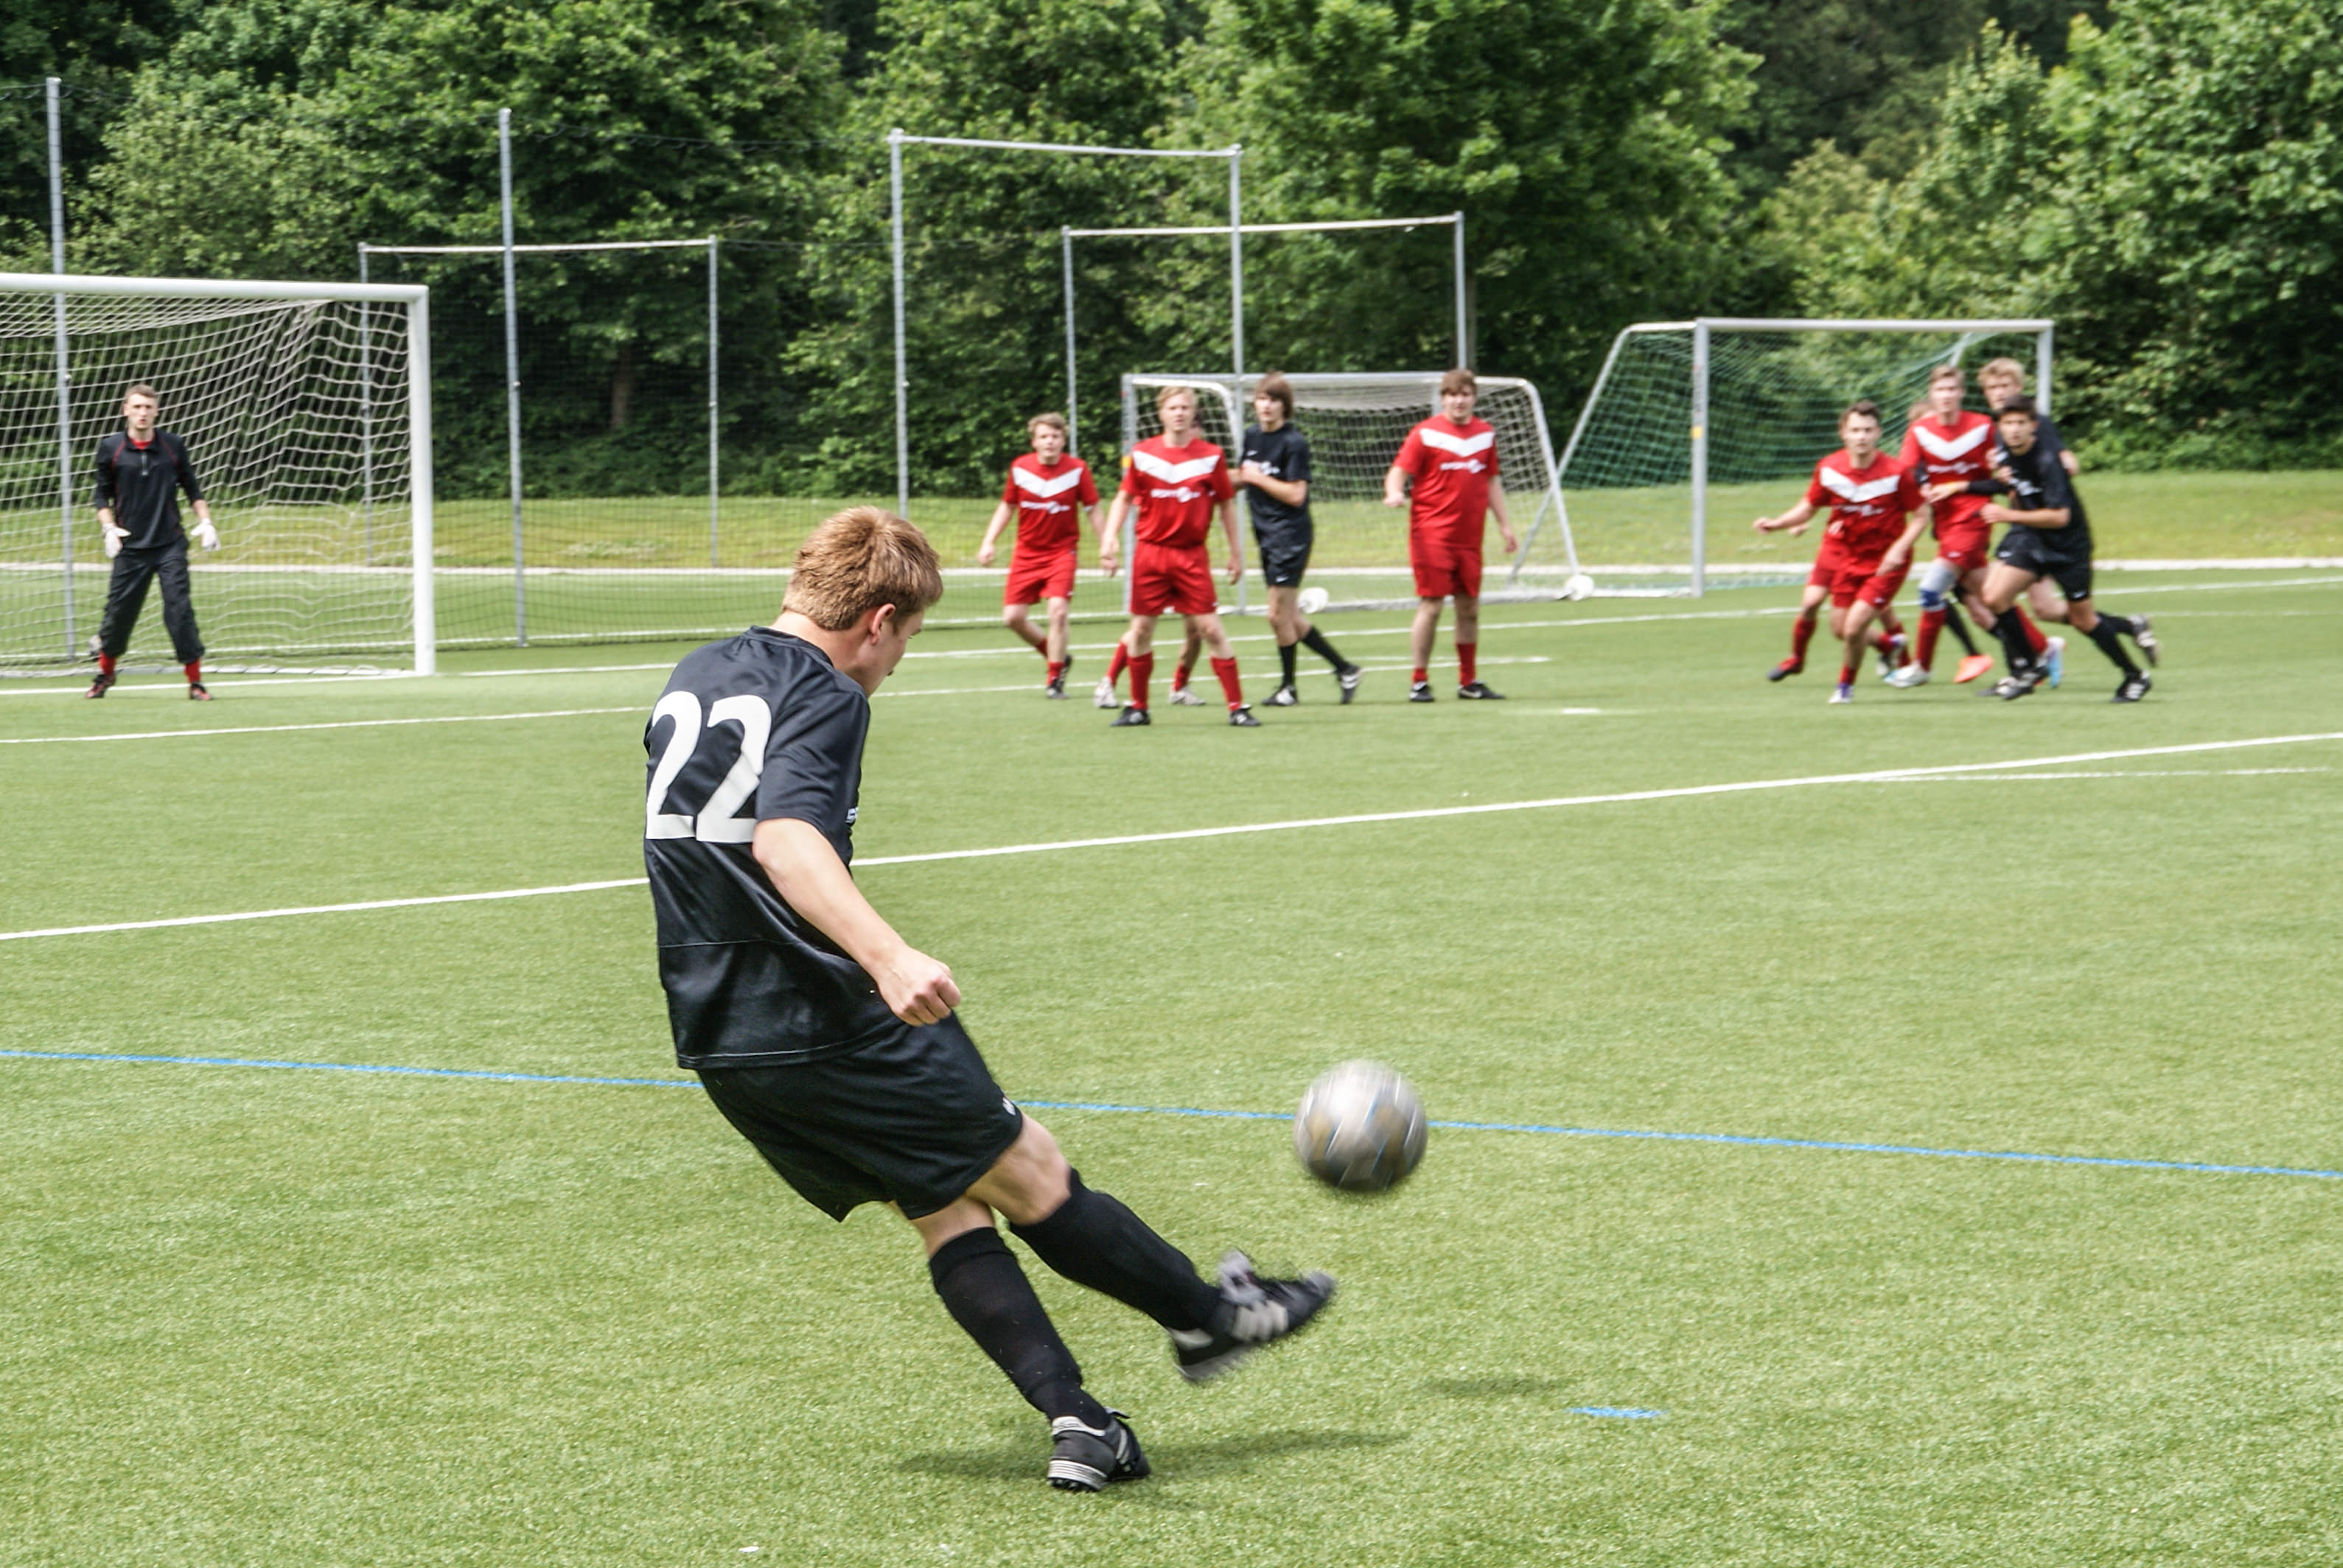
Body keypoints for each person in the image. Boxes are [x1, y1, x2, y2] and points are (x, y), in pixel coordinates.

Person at [643, 507, 1335, 1491]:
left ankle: (1080, 1422)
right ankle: (1210, 1318)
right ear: (878, 620)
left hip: (719, 1028)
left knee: (945, 1205)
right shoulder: (826, 691)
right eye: (906, 640)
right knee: (1031, 1169)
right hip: (827, 1013)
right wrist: (887, 956)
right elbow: (784, 842)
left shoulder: (698, 672)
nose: (894, 664)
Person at [1958, 396, 2157, 701]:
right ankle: (2030, 666)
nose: (2014, 429)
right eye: (2008, 423)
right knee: (1994, 597)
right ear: (2000, 427)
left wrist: (2009, 515)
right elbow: (2012, 485)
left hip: (2068, 548)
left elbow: (2060, 516)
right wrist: (1976, 484)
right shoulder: (2006, 453)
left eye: (2021, 423)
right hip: (2034, 541)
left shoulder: (2047, 461)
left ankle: (2134, 675)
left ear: (2033, 426)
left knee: (2084, 621)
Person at [1098, 385, 1256, 727]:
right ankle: (1138, 707)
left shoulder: (1211, 456)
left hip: (1191, 556)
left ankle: (1237, 707)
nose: (1179, 413)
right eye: (1173, 408)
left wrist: (1236, 553)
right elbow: (1124, 498)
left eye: (1185, 407)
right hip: (1150, 555)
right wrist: (1109, 538)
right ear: (1161, 413)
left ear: (1192, 412)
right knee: (1141, 629)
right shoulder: (1143, 454)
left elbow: (1226, 504)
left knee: (1210, 629)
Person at [1752, 400, 1929, 704]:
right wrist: (1777, 524)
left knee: (1855, 626)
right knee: (1841, 629)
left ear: (1878, 433)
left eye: (1868, 430)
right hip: (1849, 558)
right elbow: (1808, 508)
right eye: (1855, 430)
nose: (1862, 437)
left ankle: (1845, 687)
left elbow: (1923, 514)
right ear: (1843, 433)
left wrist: (1900, 548)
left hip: (1885, 563)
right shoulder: (1829, 468)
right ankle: (1889, 646)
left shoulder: (1897, 472)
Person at [1383, 368, 1520, 701]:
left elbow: (1491, 481)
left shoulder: (1485, 434)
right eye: (1453, 395)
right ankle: (1419, 681)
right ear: (1443, 399)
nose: (1459, 401)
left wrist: (1504, 525)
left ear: (1474, 398)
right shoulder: (1425, 433)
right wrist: (1394, 492)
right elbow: (1399, 470)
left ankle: (1468, 682)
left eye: (1465, 395)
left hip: (1469, 538)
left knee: (1469, 607)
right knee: (1431, 605)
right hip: (1431, 534)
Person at [1890, 368, 2022, 687]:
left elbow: (2005, 478)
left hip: (1974, 520)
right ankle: (2041, 650)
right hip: (1947, 526)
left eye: (1952, 389)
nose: (1946, 395)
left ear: (1961, 393)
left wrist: (1994, 475)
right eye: (1940, 389)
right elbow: (1907, 472)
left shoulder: (1983, 426)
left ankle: (1922, 667)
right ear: (1932, 394)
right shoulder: (1920, 431)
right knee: (1991, 598)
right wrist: (1920, 486)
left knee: (1930, 589)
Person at [85, 383, 218, 700]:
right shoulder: (111, 448)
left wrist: (207, 522)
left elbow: (193, 489)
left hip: (170, 544)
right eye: (137, 407)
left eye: (148, 407)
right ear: (125, 410)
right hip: (130, 547)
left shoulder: (173, 445)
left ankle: (195, 682)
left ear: (157, 411)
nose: (142, 413)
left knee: (179, 610)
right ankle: (105, 674)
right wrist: (108, 528)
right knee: (119, 614)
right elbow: (101, 495)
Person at [1236, 372, 1361, 705]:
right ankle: (1346, 669)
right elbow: (1244, 477)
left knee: (1276, 615)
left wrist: (1258, 479)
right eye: (1262, 399)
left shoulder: (1294, 443)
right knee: (1288, 617)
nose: (1266, 406)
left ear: (1285, 406)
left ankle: (1288, 689)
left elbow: (1295, 494)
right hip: (1265, 534)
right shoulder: (1251, 436)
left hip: (1289, 536)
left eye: (1274, 400)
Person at [977, 413, 1097, 699]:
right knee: (1013, 617)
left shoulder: (1077, 470)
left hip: (1062, 553)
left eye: (1055, 436)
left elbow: (1093, 509)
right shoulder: (1021, 468)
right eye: (1044, 436)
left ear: (1063, 440)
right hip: (1026, 554)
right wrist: (988, 541)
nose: (1050, 441)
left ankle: (1054, 678)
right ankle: (1057, 655)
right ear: (1034, 441)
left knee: (1058, 612)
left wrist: (1107, 545)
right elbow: (1007, 506)